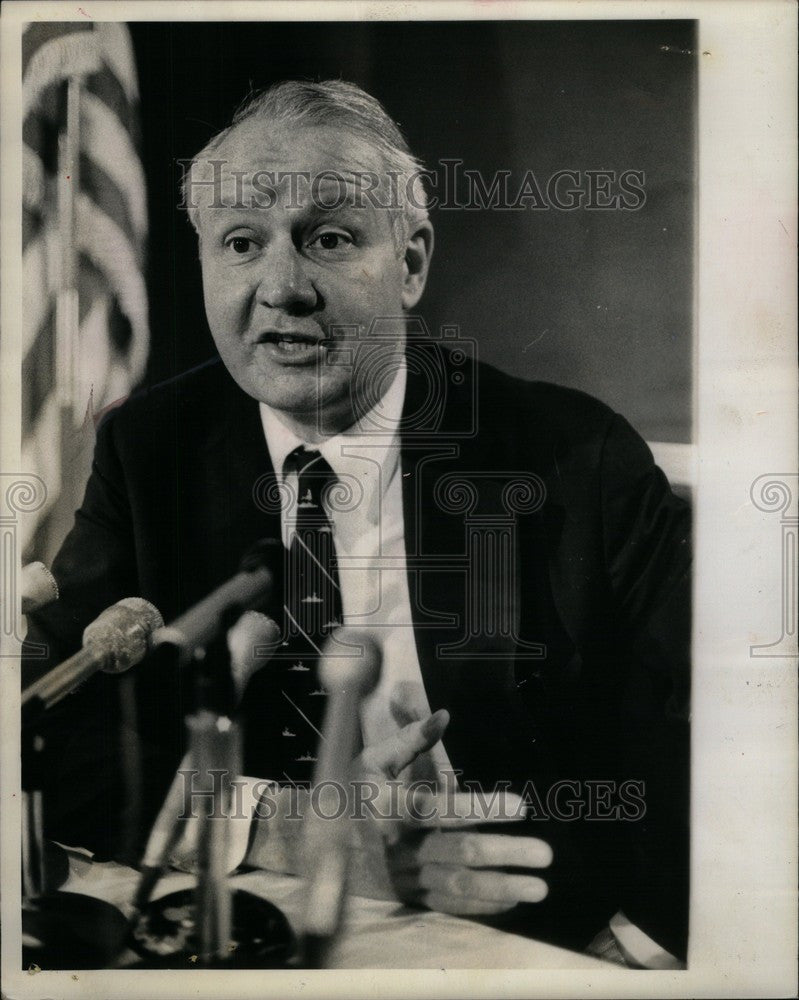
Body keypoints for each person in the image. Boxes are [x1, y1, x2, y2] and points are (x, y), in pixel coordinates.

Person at [22, 80, 690, 968]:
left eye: (329, 239)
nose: (281, 288)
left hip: (527, 939)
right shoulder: (154, 450)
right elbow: (51, 737)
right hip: (253, 928)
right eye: (240, 244)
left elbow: (716, 747)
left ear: (410, 262)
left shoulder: (575, 456)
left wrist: (636, 949)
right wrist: (287, 830)